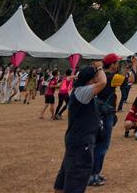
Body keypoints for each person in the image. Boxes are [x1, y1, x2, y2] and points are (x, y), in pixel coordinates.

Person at [53, 63, 107, 193]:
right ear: (91, 79)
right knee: (76, 179)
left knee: (65, 177)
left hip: (76, 140)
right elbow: (103, 82)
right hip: (82, 142)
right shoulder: (83, 92)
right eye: (95, 77)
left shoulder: (80, 91)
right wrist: (99, 68)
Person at [89, 53, 124, 188]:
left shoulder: (99, 76)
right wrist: (133, 65)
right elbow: (131, 79)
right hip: (106, 113)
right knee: (102, 145)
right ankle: (93, 175)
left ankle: (93, 172)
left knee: (95, 144)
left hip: (96, 113)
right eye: (117, 62)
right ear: (113, 64)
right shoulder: (114, 77)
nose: (118, 64)